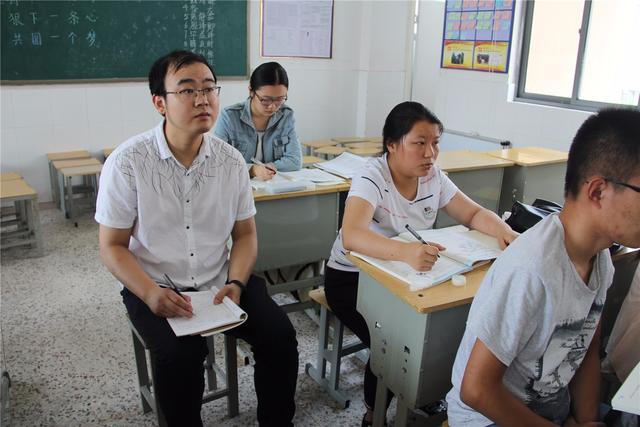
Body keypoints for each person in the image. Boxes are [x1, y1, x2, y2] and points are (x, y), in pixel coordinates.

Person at [95, 50, 298, 427]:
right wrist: (151, 294)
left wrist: (236, 281)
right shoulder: (127, 162)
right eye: (187, 90)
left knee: (280, 337)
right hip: (155, 284)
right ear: (160, 102)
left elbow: (245, 234)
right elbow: (112, 246)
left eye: (209, 88)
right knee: (180, 359)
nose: (203, 99)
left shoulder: (232, 162)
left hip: (221, 279)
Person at [324, 101, 519, 426]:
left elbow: (471, 213)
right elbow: (351, 236)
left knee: (437, 330)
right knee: (388, 340)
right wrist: (405, 252)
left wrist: (506, 232)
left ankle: (423, 392)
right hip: (351, 280)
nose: (430, 153)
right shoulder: (371, 176)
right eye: (419, 143)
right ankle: (375, 414)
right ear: (392, 145)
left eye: (435, 143)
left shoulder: (433, 177)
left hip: (405, 277)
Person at [446, 108, 640, 426]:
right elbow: (476, 390)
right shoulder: (532, 268)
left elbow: (587, 351)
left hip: (552, 409)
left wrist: (588, 420)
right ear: (598, 191)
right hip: (487, 417)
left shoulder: (601, 257)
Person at [213, 61, 302, 180]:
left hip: (273, 188)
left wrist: (270, 167)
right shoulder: (229, 117)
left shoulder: (286, 116)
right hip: (238, 188)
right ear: (251, 90)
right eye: (265, 100)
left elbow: (295, 160)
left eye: (279, 99)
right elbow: (218, 163)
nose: (272, 106)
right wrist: (252, 170)